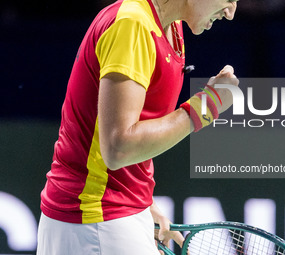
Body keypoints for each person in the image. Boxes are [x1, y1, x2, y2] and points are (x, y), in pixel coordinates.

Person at [37, 0, 239, 254]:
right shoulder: (132, 25)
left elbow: (129, 130)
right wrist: (206, 107)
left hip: (113, 213)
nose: (231, 13)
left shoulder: (170, 26)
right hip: (95, 220)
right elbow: (118, 148)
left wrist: (146, 204)